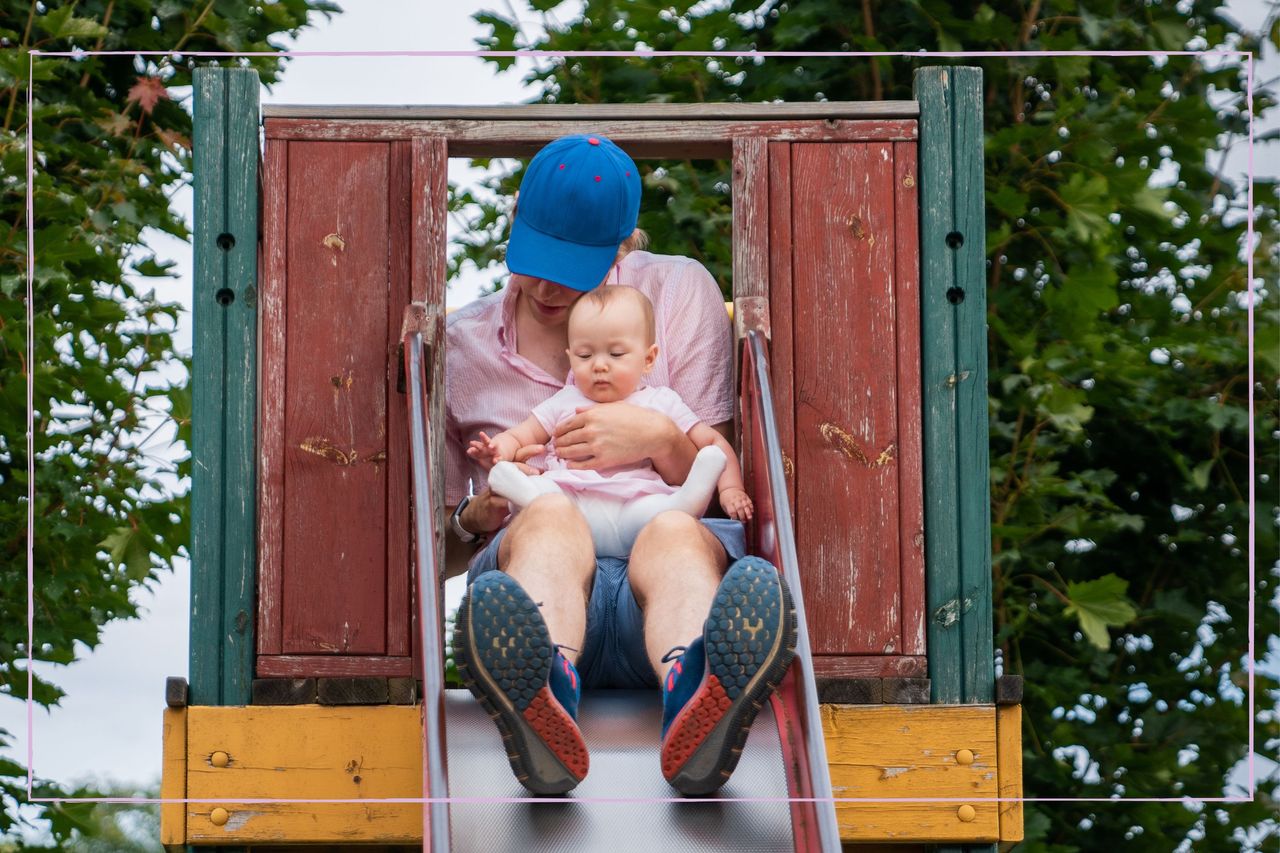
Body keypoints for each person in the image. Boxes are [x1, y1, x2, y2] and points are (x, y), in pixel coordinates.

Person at [445, 133, 796, 797]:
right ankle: (539, 693)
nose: (547, 285)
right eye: (535, 258)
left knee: (674, 536)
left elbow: (718, 484)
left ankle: (697, 693)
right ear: (515, 217)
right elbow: (431, 551)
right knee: (548, 519)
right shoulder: (466, 346)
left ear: (623, 245)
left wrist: (659, 437)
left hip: (656, 591)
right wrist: (474, 516)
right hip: (540, 583)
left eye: (572, 266)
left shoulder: (675, 292)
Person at [467, 285, 753, 559]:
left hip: (635, 504)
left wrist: (730, 489)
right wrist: (498, 450)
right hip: (569, 507)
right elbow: (522, 435)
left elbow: (713, 443)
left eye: (616, 354)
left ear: (649, 358)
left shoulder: (660, 402)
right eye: (584, 355)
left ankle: (683, 504)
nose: (599, 365)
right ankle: (518, 489)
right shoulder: (565, 400)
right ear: (571, 358)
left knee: (666, 515)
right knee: (545, 500)